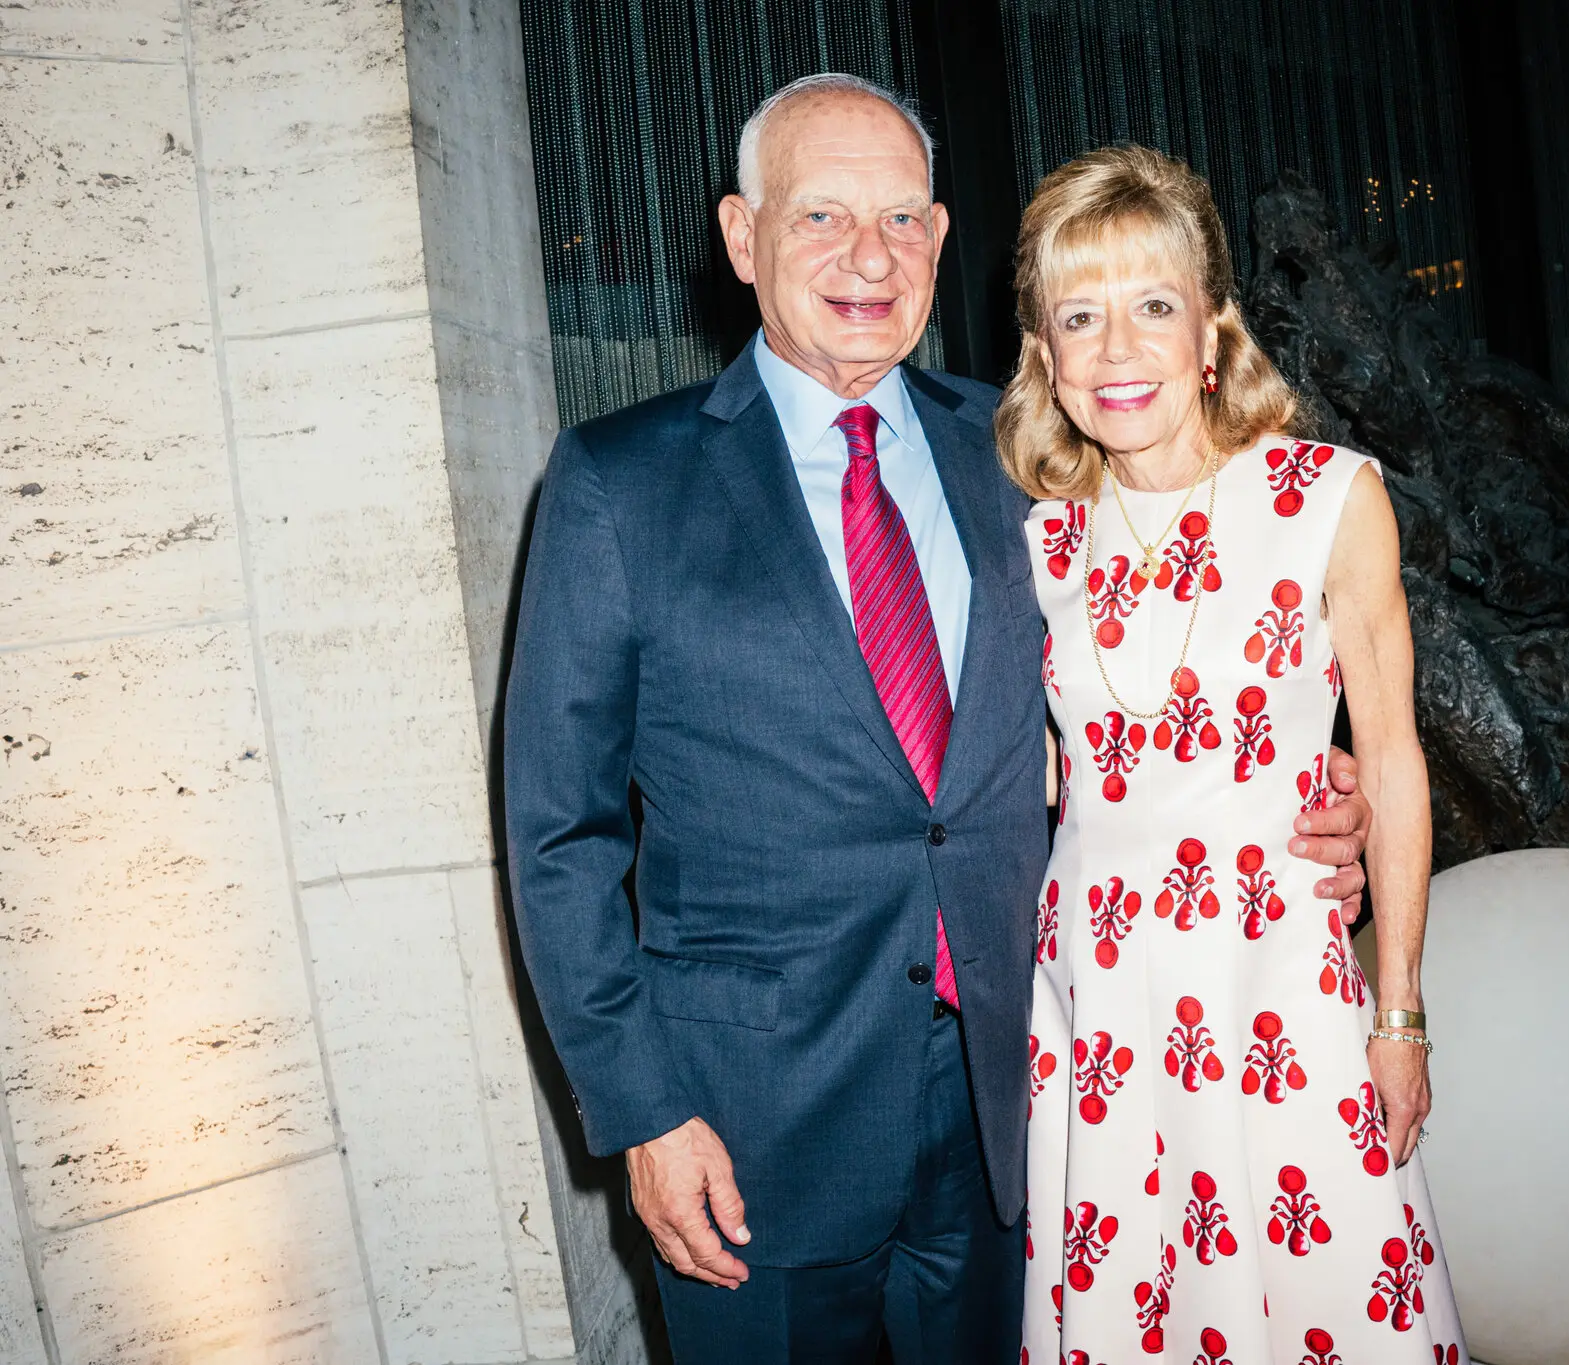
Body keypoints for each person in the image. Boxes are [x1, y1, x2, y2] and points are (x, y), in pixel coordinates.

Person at [503, 76, 1374, 1364]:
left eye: (903, 220)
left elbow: (1159, 671)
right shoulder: (618, 483)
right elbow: (558, 833)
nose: (869, 257)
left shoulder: (1025, 452)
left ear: (942, 239)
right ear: (742, 238)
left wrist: (1307, 786)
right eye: (822, 219)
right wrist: (643, 1112)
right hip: (750, 1132)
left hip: (1024, 1104)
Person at [1000, 144, 1465, 1361]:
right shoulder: (1039, 542)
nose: (1115, 352)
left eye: (1152, 308)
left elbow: (1395, 756)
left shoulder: (1325, 495)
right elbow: (1042, 780)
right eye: (1079, 317)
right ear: (1045, 354)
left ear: (1209, 330)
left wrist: (1399, 1011)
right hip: (1097, 1003)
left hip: (1276, 989)